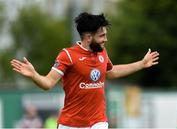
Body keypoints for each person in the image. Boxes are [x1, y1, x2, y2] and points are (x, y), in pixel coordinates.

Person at [10, 12, 159, 129]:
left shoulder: (102, 52)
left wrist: (141, 63)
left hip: (98, 122)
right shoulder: (67, 55)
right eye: (102, 36)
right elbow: (48, 83)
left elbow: (111, 72)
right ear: (88, 37)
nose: (105, 39)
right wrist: (34, 75)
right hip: (71, 124)